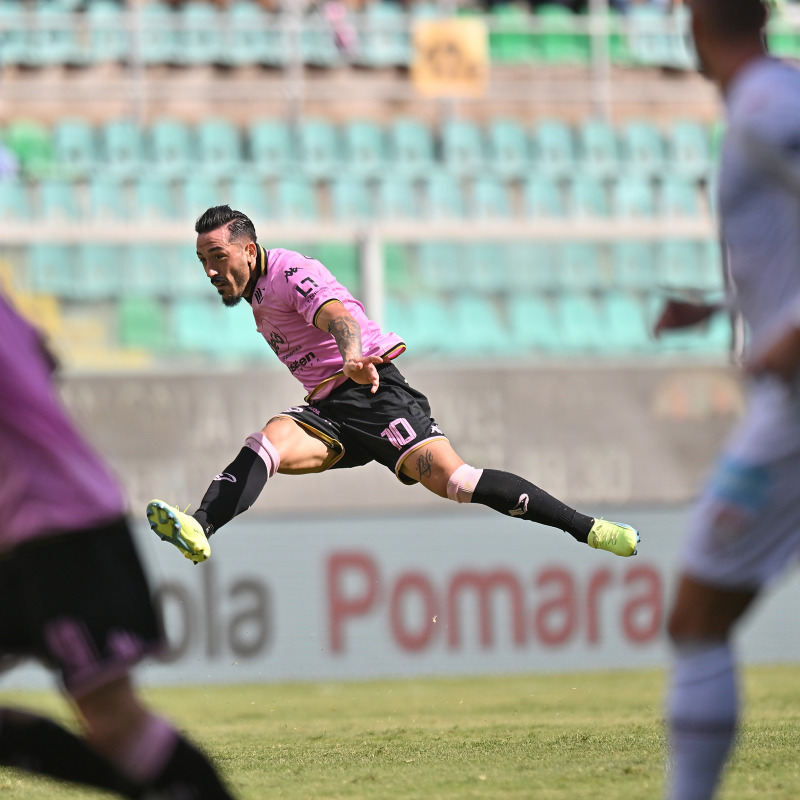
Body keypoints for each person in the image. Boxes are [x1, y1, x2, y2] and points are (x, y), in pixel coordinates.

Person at [146, 205, 639, 564]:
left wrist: (354, 356)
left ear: (249, 250)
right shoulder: (257, 291)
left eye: (218, 256)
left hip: (373, 393)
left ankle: (587, 529)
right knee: (268, 441)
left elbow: (339, 314)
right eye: (202, 260)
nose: (211, 271)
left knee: (458, 482)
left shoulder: (289, 272)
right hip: (328, 410)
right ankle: (200, 525)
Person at [0, 292, 236, 799]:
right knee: (116, 730)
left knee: (114, 724)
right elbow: (46, 356)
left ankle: (152, 782)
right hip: (30, 528)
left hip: (60, 527)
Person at [655, 1, 800, 798]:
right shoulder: (771, 100)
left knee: (697, 619)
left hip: (798, 411)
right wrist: (724, 307)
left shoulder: (769, 107)